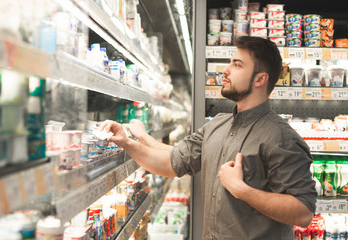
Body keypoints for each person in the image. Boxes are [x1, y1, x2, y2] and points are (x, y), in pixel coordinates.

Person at [100, 36, 317, 239]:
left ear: (260, 79)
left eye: (237, 65)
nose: (226, 70)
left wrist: (242, 190)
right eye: (229, 62)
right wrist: (127, 142)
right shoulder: (217, 124)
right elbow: (170, 163)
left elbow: (303, 212)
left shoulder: (281, 138)